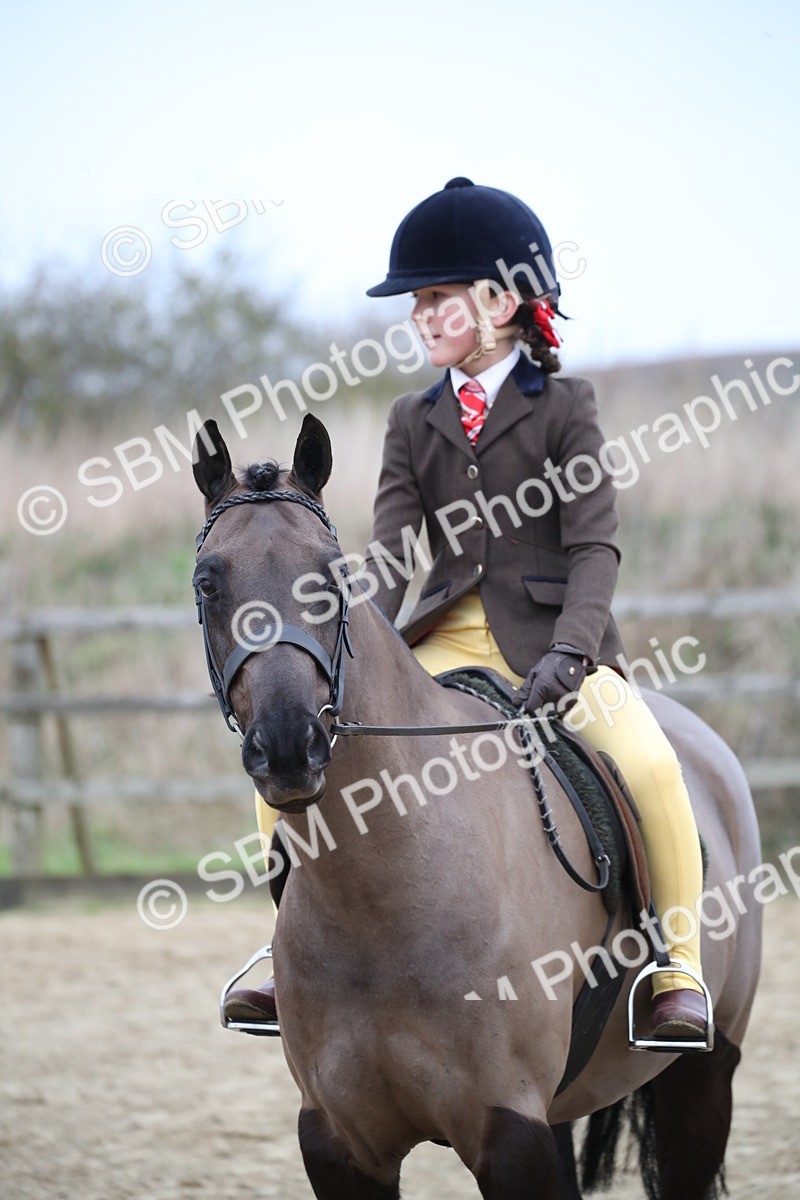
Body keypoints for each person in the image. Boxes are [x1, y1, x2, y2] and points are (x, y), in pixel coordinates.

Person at [225, 176, 709, 1044]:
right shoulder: (415, 418)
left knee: (653, 767)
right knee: (290, 750)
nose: (419, 316)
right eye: (416, 303)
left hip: (557, 646)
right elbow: (395, 551)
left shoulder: (568, 408)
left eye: (435, 299)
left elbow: (594, 545)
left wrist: (572, 651)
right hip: (439, 642)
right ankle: (281, 951)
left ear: (501, 301)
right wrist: (343, 645)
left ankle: (677, 968)